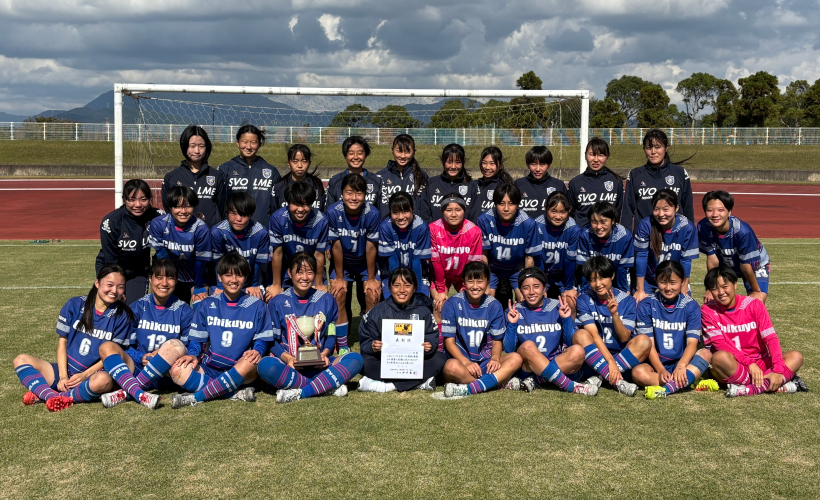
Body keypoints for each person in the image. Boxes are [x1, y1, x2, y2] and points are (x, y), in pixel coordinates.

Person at [13, 264, 133, 411]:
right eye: (110, 285)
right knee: (21, 360)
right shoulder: (74, 304)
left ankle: (54, 396)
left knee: (103, 381)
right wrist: (63, 376)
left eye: (120, 287)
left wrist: (84, 375)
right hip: (66, 370)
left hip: (92, 375)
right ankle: (51, 395)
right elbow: (62, 343)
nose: (114, 291)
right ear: (97, 283)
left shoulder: (123, 316)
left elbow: (113, 356)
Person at [170, 252, 273, 408]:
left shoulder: (257, 305)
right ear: (219, 277)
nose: (233, 280)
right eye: (228, 275)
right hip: (211, 367)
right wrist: (192, 354)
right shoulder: (207, 304)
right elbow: (198, 339)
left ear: (245, 277)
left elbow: (262, 339)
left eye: (239, 275)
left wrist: (257, 351)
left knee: (249, 361)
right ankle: (233, 393)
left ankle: (195, 397)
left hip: (242, 370)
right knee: (177, 371)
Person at [256, 252, 363, 403]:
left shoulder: (327, 299)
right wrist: (287, 358)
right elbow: (273, 340)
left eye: (310, 272)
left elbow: (331, 334)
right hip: (290, 364)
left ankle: (300, 391)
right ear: (289, 273)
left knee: (356, 359)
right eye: (299, 272)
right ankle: (325, 385)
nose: (304, 278)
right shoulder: (277, 302)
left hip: (320, 363)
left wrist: (325, 354)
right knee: (265, 366)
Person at [97, 259, 193, 409]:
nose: (164, 283)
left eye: (170, 277)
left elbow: (188, 346)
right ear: (150, 279)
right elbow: (127, 346)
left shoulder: (184, 311)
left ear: (176, 281)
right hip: (139, 367)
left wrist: (163, 357)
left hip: (168, 373)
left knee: (174, 346)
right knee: (109, 347)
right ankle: (138, 391)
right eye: (159, 277)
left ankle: (127, 392)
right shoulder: (137, 307)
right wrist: (141, 357)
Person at [701, 266, 806, 397]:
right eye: (714, 289)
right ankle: (772, 383)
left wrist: (778, 370)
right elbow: (719, 344)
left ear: (735, 285)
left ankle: (751, 387)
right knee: (719, 358)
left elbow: (771, 339)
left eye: (724, 286)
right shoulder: (707, 310)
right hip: (733, 365)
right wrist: (749, 363)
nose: (721, 292)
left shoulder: (754, 304)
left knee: (796, 357)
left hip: (760, 362)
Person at [503, 267, 597, 395]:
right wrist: (512, 325)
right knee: (528, 346)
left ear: (544, 288)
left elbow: (570, 342)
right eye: (525, 287)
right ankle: (572, 386)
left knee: (578, 351)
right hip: (529, 366)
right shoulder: (515, 310)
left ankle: (536, 380)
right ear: (520, 290)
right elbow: (509, 349)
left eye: (536, 286)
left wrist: (566, 319)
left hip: (556, 362)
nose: (531, 292)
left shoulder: (557, 305)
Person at [631, 261, 716, 399]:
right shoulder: (646, 304)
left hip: (683, 361)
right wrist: (661, 370)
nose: (668, 287)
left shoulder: (691, 306)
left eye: (673, 282)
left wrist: (682, 366)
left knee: (706, 354)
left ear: (683, 282)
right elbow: (649, 345)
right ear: (656, 280)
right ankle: (688, 381)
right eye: (663, 282)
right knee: (638, 373)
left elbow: (692, 343)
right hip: (656, 364)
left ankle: (668, 388)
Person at [571, 256, 652, 396]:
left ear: (612, 275)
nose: (598, 284)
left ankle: (601, 376)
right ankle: (617, 382)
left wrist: (614, 315)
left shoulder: (627, 300)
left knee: (644, 341)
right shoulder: (584, 299)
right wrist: (610, 362)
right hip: (594, 359)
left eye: (602, 278)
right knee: (580, 335)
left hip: (623, 360)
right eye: (592, 279)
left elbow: (624, 337)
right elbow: (594, 335)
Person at [440, 261, 523, 397]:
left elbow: (497, 341)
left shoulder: (494, 305)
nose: (475, 286)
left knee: (516, 358)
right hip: (461, 361)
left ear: (487, 282)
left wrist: (495, 358)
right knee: (450, 367)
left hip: (485, 362)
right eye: (470, 281)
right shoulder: (452, 303)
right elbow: (449, 342)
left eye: (480, 281)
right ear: (464, 282)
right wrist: (466, 362)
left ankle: (473, 386)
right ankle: (493, 384)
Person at [358, 268, 446, 392]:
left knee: (440, 359)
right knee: (363, 362)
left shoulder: (423, 310)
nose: (402, 290)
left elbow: (432, 335)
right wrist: (372, 346)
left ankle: (387, 386)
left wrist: (429, 346)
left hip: (414, 362)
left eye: (407, 285)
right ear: (389, 287)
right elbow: (365, 337)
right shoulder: (378, 311)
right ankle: (418, 383)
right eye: (397, 285)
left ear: (415, 288)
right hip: (386, 361)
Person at [327, 174, 382, 355]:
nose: (353, 198)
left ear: (365, 194)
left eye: (358, 193)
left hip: (365, 263)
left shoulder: (372, 213)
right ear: (341, 193)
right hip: (343, 263)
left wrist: (372, 278)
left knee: (372, 294)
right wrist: (340, 278)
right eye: (349, 193)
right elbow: (335, 245)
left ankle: (369, 340)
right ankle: (343, 345)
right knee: (339, 293)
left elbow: (371, 246)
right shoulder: (333, 212)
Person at [96, 179, 164, 304]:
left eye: (143, 199)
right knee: (110, 307)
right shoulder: (111, 222)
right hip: (111, 268)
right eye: (131, 199)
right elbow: (110, 259)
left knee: (133, 309)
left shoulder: (159, 218)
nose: (137, 204)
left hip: (139, 272)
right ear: (124, 199)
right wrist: (116, 285)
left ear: (150, 199)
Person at [698, 190, 770, 304]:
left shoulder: (743, 232)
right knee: (715, 300)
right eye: (710, 210)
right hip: (727, 265)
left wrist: (756, 291)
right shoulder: (703, 227)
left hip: (753, 265)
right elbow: (712, 259)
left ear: (729, 212)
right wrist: (710, 288)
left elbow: (746, 266)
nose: (715, 214)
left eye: (721, 210)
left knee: (756, 302)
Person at [477, 183, 541, 305]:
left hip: (517, 269)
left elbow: (530, 258)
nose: (506, 208)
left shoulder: (528, 223)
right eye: (501, 203)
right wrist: (486, 280)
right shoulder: (484, 219)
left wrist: (526, 282)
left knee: (525, 299)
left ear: (517, 204)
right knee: (486, 299)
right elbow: (483, 254)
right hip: (493, 269)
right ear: (495, 204)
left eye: (511, 203)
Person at [148, 186, 212, 304]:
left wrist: (198, 285)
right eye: (177, 207)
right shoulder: (158, 224)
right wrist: (169, 279)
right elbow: (162, 257)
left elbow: (201, 262)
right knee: (165, 307)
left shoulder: (201, 229)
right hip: (171, 274)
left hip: (196, 275)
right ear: (170, 207)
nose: (183, 211)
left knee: (201, 307)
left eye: (187, 206)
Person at [622, 129, 694, 232]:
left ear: (666, 147)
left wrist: (690, 233)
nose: (653, 152)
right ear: (644, 149)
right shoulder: (635, 175)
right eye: (649, 147)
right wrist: (626, 238)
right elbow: (627, 212)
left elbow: (688, 209)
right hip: (645, 237)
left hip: (675, 237)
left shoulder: (680, 173)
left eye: (658, 147)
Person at [633, 189, 698, 303]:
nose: (661, 214)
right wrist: (640, 290)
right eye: (656, 209)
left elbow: (686, 261)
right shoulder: (646, 224)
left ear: (676, 208)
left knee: (682, 307)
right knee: (640, 307)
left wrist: (683, 290)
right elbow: (641, 256)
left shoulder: (687, 227)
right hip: (650, 278)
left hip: (674, 279)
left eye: (666, 209)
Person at [267, 181, 329, 299]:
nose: (300, 209)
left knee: (319, 299)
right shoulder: (278, 218)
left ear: (311, 204)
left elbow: (319, 254)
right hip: (284, 268)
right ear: (288, 203)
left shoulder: (321, 220)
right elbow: (277, 252)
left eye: (305, 205)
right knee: (272, 297)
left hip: (310, 267)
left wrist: (319, 283)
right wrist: (276, 284)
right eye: (296, 204)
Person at [429, 193, 483, 324]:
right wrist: (441, 290)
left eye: (458, 210)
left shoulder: (474, 231)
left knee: (468, 305)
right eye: (449, 210)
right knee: (439, 305)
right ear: (442, 211)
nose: (453, 214)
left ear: (464, 210)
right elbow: (436, 262)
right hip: (441, 276)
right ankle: (441, 342)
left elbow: (473, 264)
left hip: (463, 276)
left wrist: (466, 287)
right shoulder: (433, 229)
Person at [161, 125, 226, 227]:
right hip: (182, 237)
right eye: (192, 146)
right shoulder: (171, 177)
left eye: (201, 146)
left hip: (210, 236)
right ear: (184, 146)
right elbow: (168, 209)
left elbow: (223, 209)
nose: (197, 151)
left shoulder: (217, 176)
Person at [210, 192, 271, 301]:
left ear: (251, 214)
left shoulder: (260, 232)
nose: (238, 219)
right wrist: (220, 286)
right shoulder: (218, 232)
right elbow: (218, 262)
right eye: (233, 213)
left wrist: (254, 284)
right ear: (227, 212)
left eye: (243, 214)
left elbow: (258, 263)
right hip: (225, 282)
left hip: (250, 281)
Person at [219, 124, 282, 223]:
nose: (248, 147)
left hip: (262, 231)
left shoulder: (271, 171)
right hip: (233, 231)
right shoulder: (225, 169)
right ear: (237, 143)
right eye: (244, 142)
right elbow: (220, 203)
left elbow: (277, 205)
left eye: (253, 142)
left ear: (259, 144)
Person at [378, 192, 431, 298]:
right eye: (396, 212)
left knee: (421, 301)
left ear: (413, 209)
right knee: (392, 302)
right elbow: (392, 261)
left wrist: (418, 291)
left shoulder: (421, 227)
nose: (401, 217)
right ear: (390, 212)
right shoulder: (386, 227)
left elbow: (417, 262)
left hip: (417, 274)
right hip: (391, 273)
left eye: (405, 211)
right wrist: (397, 287)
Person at [576, 201, 634, 293]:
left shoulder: (624, 236)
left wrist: (623, 292)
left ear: (613, 220)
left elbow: (623, 269)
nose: (599, 227)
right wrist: (585, 293)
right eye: (594, 222)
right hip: (594, 282)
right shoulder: (585, 235)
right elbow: (585, 268)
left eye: (603, 222)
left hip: (615, 282)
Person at [568, 137, 625, 228]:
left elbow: (617, 211)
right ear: (585, 155)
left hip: (607, 236)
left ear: (607, 157)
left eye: (601, 155)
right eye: (592, 154)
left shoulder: (616, 181)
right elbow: (571, 214)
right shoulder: (575, 183)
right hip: (583, 237)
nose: (596, 159)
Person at [537, 192, 581, 306]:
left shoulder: (573, 229)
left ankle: (571, 324)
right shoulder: (537, 225)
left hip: (563, 275)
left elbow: (570, 260)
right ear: (545, 208)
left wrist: (568, 287)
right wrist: (541, 283)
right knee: (537, 302)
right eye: (553, 211)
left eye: (563, 212)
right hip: (543, 272)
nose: (558, 216)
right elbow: (538, 259)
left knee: (571, 303)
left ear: (569, 210)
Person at [377, 134, 432, 221]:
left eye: (407, 151)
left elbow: (426, 206)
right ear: (392, 150)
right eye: (399, 151)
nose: (402, 156)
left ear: (414, 152)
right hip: (388, 229)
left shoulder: (421, 176)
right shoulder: (381, 176)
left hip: (415, 229)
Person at [325, 136, 383, 210]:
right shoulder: (335, 181)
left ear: (366, 155)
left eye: (359, 153)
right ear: (345, 156)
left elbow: (382, 212)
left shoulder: (377, 180)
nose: (355, 157)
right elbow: (329, 212)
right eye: (351, 153)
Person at [514, 146, 567, 222]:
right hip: (524, 232)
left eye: (542, 164)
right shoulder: (518, 184)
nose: (538, 169)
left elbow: (566, 212)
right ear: (527, 164)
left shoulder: (558, 185)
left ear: (549, 165)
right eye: (534, 164)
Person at [427, 143, 479, 221]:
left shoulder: (472, 186)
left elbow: (474, 217)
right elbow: (425, 215)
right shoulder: (431, 183)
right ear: (442, 160)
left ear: (464, 161)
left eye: (458, 162)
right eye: (449, 162)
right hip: (435, 233)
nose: (453, 166)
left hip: (464, 233)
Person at [271, 144, 326, 212]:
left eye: (304, 161)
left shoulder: (317, 184)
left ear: (309, 163)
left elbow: (322, 212)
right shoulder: (279, 187)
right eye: (295, 161)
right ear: (288, 163)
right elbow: (274, 213)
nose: (300, 165)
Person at [471, 146, 513, 221]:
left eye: (492, 163)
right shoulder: (473, 185)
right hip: (474, 231)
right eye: (484, 163)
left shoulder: (505, 187)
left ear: (500, 165)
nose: (487, 167)